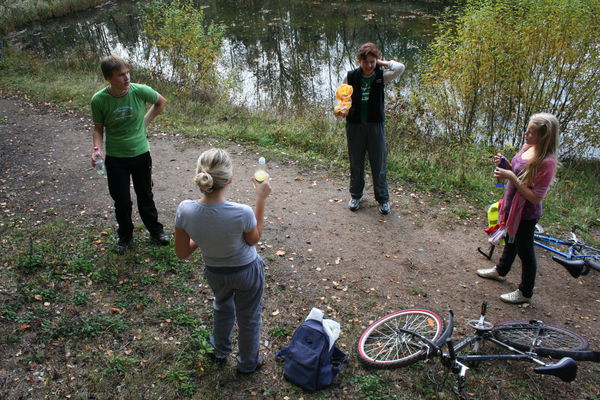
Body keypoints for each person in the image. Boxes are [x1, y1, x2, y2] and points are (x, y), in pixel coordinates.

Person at [174, 148, 271, 374]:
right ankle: (247, 364)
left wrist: (203, 235)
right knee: (249, 317)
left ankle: (219, 350)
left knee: (222, 307)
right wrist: (261, 198)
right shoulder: (242, 212)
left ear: (199, 177)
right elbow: (253, 239)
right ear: (229, 181)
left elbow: (182, 252)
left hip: (215, 273)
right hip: (247, 272)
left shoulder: (185, 210)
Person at [90, 55, 169, 255]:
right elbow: (98, 129)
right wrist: (96, 150)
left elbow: (160, 102)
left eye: (127, 72)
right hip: (116, 157)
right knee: (122, 200)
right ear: (108, 78)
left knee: (145, 195)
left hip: (141, 153)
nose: (126, 78)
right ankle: (125, 236)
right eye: (120, 75)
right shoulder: (99, 100)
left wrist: (145, 121)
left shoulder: (140, 90)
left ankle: (156, 231)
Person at [477, 113, 560, 304]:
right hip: (510, 208)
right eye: (527, 130)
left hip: (526, 214)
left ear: (543, 137)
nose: (526, 134)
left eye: (531, 132)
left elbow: (535, 197)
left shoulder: (547, 162)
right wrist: (506, 165)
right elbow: (518, 171)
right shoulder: (528, 147)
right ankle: (501, 270)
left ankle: (525, 292)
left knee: (525, 252)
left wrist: (511, 177)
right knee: (510, 241)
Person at [342, 42, 405, 215]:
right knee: (356, 163)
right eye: (366, 62)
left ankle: (383, 199)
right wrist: (341, 108)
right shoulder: (350, 76)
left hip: (375, 126)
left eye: (372, 61)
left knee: (379, 164)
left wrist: (382, 63)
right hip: (355, 126)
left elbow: (400, 68)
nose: (369, 65)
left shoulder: (380, 76)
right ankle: (355, 195)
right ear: (359, 61)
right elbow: (342, 97)